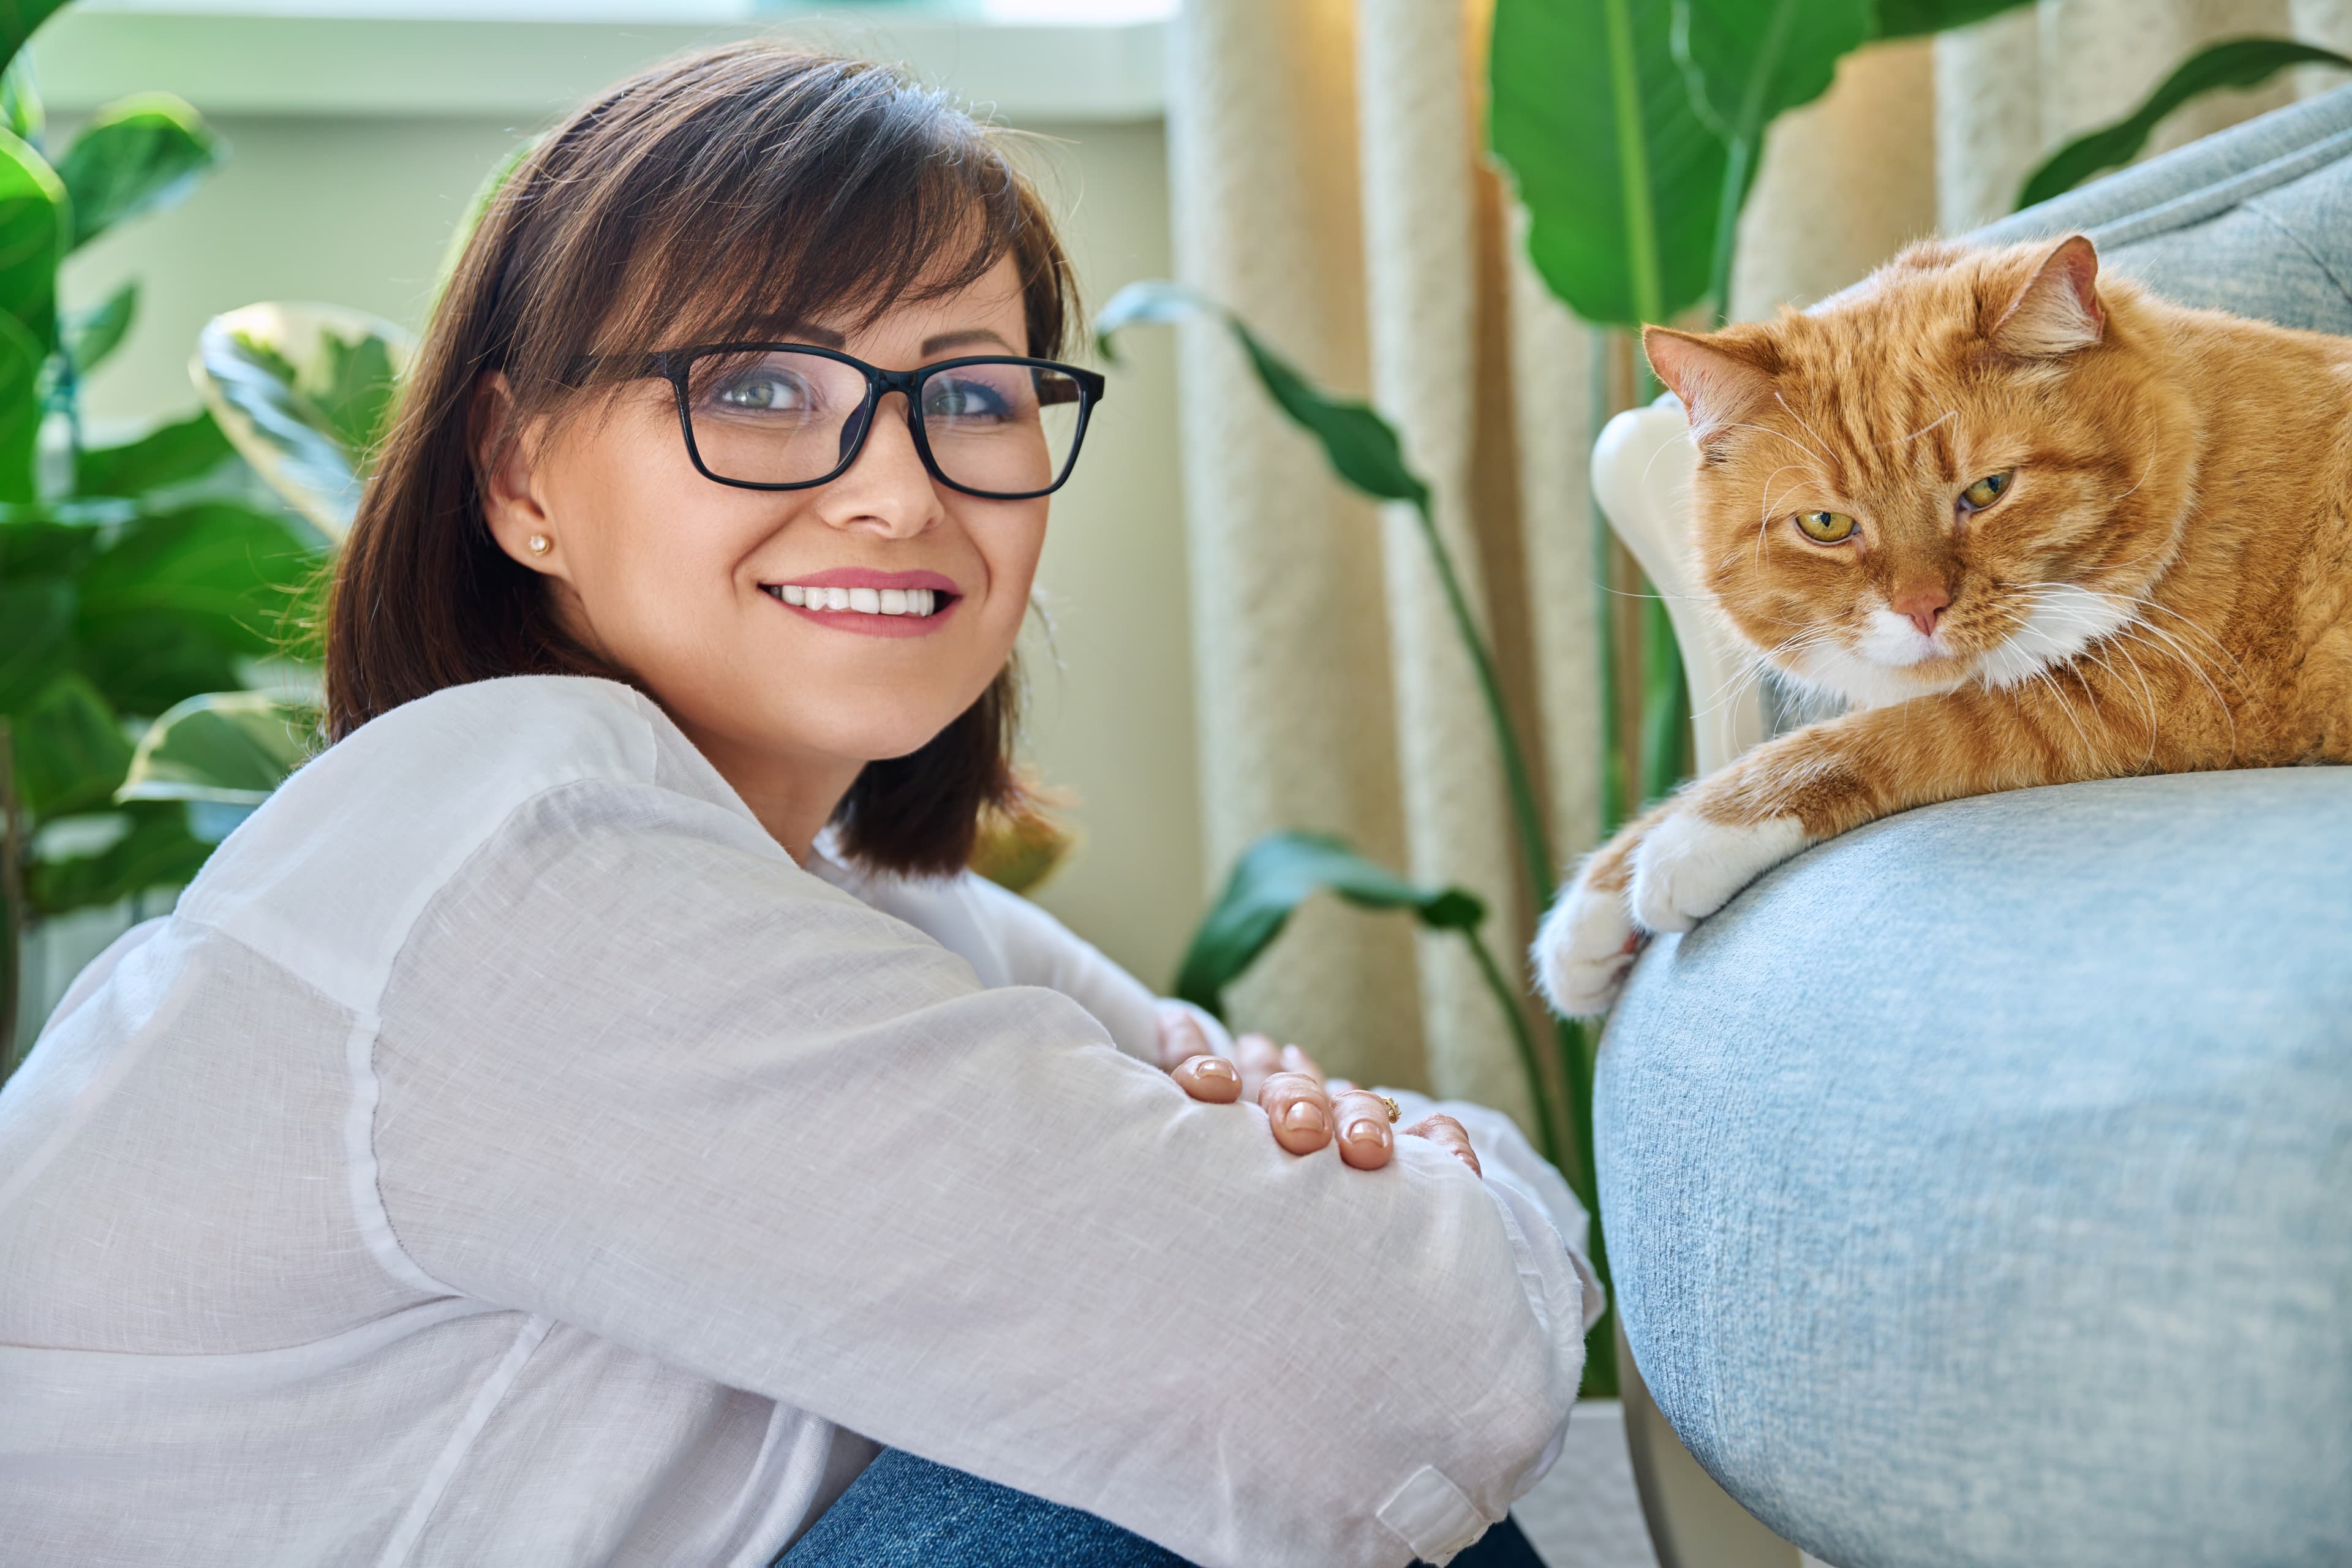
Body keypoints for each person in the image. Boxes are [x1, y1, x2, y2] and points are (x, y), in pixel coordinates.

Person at [0, 43, 1598, 1568]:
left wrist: (1381, 1191)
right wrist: (1447, 1191)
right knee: (1198, 1470)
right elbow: (1400, 1370)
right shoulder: (520, 855)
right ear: (517, 475)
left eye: (972, 395)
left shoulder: (883, 908)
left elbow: (1356, 1317)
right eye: (759, 384)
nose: (899, 492)